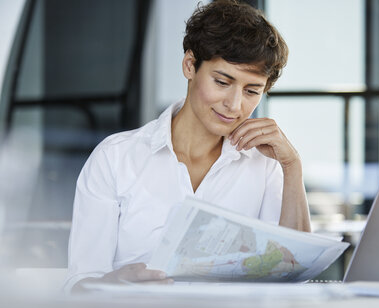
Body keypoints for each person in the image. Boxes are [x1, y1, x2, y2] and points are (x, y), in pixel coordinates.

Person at [65, 0, 310, 292]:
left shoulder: (266, 165)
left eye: (251, 91)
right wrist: (110, 285)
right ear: (190, 65)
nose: (234, 105)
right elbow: (79, 283)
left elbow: (295, 277)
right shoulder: (116, 158)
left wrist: (292, 167)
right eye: (222, 82)